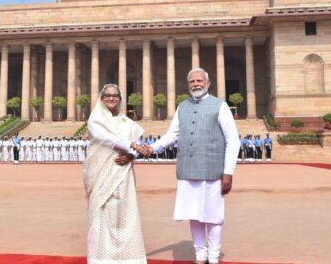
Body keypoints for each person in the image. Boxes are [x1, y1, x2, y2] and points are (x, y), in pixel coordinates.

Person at [138, 68, 239, 264]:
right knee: (194, 214)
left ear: (208, 83)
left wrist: (228, 172)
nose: (196, 84)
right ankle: (200, 254)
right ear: (188, 85)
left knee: (214, 216)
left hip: (213, 170)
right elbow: (172, 135)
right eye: (192, 81)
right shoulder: (182, 107)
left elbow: (233, 140)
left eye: (199, 80)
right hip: (188, 169)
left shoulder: (220, 106)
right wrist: (152, 149)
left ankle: (214, 256)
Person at [83, 84, 147, 264]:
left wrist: (131, 154)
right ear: (101, 98)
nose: (111, 98)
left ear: (120, 99)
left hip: (122, 173)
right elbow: (105, 138)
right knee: (102, 213)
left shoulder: (126, 122)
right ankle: (102, 259)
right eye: (107, 96)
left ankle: (127, 258)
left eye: (115, 96)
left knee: (124, 213)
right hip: (101, 173)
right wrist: (131, 145)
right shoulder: (95, 119)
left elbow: (137, 144)